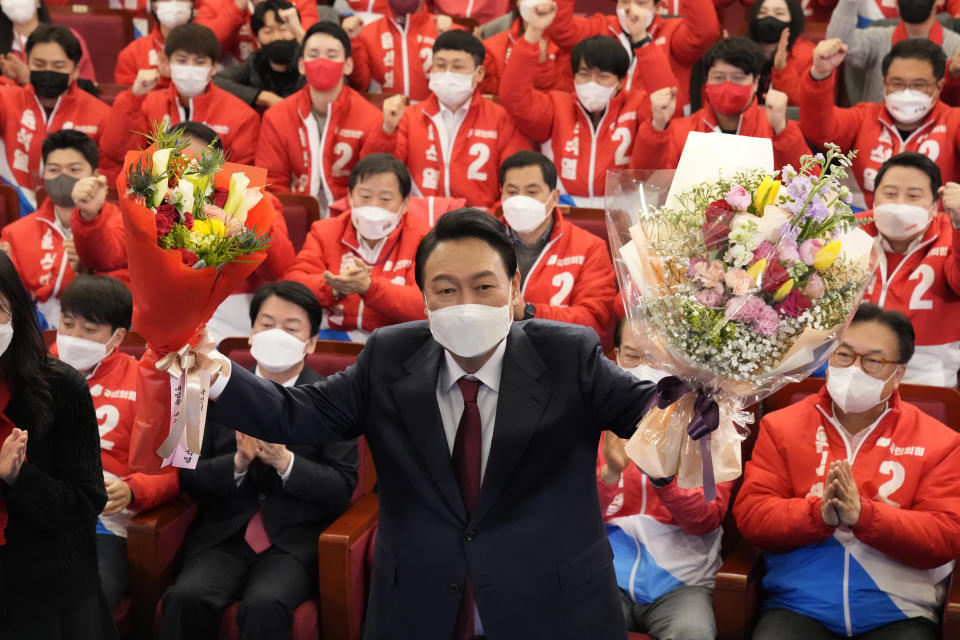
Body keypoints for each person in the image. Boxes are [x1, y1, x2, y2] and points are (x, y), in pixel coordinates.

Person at [205, 207, 657, 638]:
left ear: (515, 287)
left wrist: (704, 371)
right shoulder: (387, 356)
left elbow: (652, 413)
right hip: (421, 605)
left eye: (484, 288)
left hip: (552, 606)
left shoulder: (567, 354)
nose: (466, 305)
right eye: (446, 290)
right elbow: (296, 412)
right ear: (423, 297)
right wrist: (210, 371)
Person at [735, 303, 960, 640]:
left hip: (899, 611)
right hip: (798, 605)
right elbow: (753, 516)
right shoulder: (781, 426)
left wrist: (864, 516)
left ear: (898, 374)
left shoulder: (940, 441)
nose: (854, 368)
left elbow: (944, 536)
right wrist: (816, 515)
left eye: (872, 361)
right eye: (844, 355)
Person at [161, 281, 358, 640]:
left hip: (293, 543)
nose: (276, 335)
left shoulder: (337, 399)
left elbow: (342, 488)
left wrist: (285, 462)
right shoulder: (200, 387)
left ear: (311, 342)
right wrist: (236, 463)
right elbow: (185, 475)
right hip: (222, 536)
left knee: (265, 606)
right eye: (266, 325)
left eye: (291, 327)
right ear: (250, 334)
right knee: (185, 598)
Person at [0, 252, 116, 640]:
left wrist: (19, 478)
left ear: (15, 312)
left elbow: (87, 500)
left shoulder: (61, 386)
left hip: (47, 595)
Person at [53, 275, 179, 611]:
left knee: (89, 603)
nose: (74, 337)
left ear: (118, 337)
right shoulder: (32, 371)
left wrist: (133, 490)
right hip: (37, 513)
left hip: (104, 525)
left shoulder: (145, 383)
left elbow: (172, 472)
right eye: (67, 324)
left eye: (90, 330)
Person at [598, 349, 732, 639]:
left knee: (691, 633)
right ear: (616, 357)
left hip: (683, 585)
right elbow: (570, 521)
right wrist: (609, 473)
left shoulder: (709, 422)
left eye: (657, 360)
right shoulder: (593, 419)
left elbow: (705, 520)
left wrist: (662, 480)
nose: (646, 369)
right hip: (605, 580)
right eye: (634, 356)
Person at [501, 5, 676, 206]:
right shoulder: (556, 106)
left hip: (623, 210)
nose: (592, 82)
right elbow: (513, 97)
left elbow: (664, 96)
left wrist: (641, 38)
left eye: (602, 76)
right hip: (566, 209)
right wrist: (534, 31)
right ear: (573, 77)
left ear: (620, 81)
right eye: (584, 74)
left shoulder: (636, 104)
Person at [374, 30, 530, 208]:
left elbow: (518, 182)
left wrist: (489, 222)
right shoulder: (408, 117)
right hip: (420, 219)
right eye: (440, 65)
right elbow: (380, 175)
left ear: (479, 74)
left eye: (457, 67)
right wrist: (386, 130)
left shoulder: (501, 119)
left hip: (480, 223)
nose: (447, 73)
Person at [284, 153, 430, 342]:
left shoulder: (422, 238)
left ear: (404, 204)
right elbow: (293, 283)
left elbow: (427, 305)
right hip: (332, 342)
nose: (373, 206)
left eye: (385, 199)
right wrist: (333, 289)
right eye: (365, 196)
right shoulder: (325, 232)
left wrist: (370, 288)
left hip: (395, 344)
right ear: (350, 197)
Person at [801, 37, 960, 206]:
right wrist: (819, 74)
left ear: (939, 86)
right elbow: (820, 128)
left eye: (918, 85)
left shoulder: (954, 121)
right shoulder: (864, 117)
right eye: (897, 83)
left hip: (936, 228)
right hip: (862, 226)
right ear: (884, 83)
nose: (907, 92)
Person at [99, 23, 261, 185]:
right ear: (168, 63)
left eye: (199, 62)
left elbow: (242, 180)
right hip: (153, 200)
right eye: (182, 60)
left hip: (213, 203)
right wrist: (133, 97)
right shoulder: (148, 104)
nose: (190, 69)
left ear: (214, 68)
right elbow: (116, 153)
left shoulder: (242, 115)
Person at [256, 22, 389, 213]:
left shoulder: (372, 118)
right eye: (313, 55)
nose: (321, 61)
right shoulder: (276, 117)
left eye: (332, 55)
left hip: (351, 221)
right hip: (294, 220)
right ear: (302, 65)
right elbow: (272, 184)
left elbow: (373, 187)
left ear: (348, 65)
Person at [0, 130, 121, 328]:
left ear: (95, 175)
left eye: (74, 170)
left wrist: (87, 268)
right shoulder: (15, 234)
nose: (63, 177)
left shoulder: (121, 224)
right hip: (36, 342)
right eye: (54, 170)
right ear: (44, 174)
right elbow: (12, 306)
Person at [858, 152, 960, 387]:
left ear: (935, 206)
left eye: (913, 196)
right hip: (855, 367)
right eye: (890, 194)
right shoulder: (851, 231)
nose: (899, 204)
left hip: (928, 377)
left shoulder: (950, 233)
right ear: (874, 199)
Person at [632, 37, 809, 171]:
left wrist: (782, 129)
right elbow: (647, 183)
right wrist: (657, 126)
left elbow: (810, 187)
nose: (727, 85)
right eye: (718, 77)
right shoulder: (680, 131)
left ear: (755, 82)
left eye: (737, 78)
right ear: (706, 83)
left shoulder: (776, 127)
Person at [496, 151, 617, 337]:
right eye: (512, 192)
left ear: (554, 197)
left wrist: (529, 311)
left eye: (531, 192)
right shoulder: (482, 241)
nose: (520, 201)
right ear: (501, 195)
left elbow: (593, 321)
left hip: (556, 356)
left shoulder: (589, 247)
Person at [0, 24, 109, 213]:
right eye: (39, 65)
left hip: (76, 217)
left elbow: (109, 179)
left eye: (58, 66)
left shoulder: (101, 114)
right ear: (27, 64)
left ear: (75, 70)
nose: (48, 71)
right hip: (16, 215)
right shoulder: (5, 100)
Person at [545, 0, 720, 118]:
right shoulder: (600, 26)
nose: (630, 9)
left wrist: (640, 36)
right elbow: (560, 27)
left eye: (640, 2)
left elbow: (706, 31)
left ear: (658, 8)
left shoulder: (672, 31)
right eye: (625, 2)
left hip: (658, 123)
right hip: (606, 126)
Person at [826, 0, 960, 104]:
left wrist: (953, 74)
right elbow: (836, 46)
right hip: (878, 133)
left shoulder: (956, 46)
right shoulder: (877, 38)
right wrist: (849, 3)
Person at [344, 0, 452, 101]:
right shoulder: (367, 33)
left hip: (430, 115)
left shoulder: (443, 30)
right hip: (384, 113)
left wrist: (449, 41)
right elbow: (360, 85)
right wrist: (352, 42)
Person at [212, 0, 306, 108]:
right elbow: (217, 81)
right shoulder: (255, 61)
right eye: (268, 32)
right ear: (257, 41)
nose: (277, 37)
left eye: (283, 29)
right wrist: (262, 96)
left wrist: (301, 35)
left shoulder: (307, 60)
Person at [482, 0, 574, 95]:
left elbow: (567, 93)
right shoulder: (491, 46)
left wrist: (543, 64)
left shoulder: (567, 46)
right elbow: (486, 90)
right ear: (517, 2)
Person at [0, 0, 96, 85]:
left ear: (38, 2)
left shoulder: (67, 39)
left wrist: (30, 79)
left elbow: (86, 88)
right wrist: (9, 81)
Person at [194, 0, 318, 64]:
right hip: (235, 82)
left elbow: (313, 48)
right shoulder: (216, 3)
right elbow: (201, 48)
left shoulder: (301, 2)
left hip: (290, 77)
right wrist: (235, 10)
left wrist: (269, 10)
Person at [747, 0, 815, 105]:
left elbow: (800, 106)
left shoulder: (808, 54)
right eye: (762, 13)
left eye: (779, 13)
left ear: (793, 19)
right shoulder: (742, 50)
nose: (769, 19)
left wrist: (782, 69)